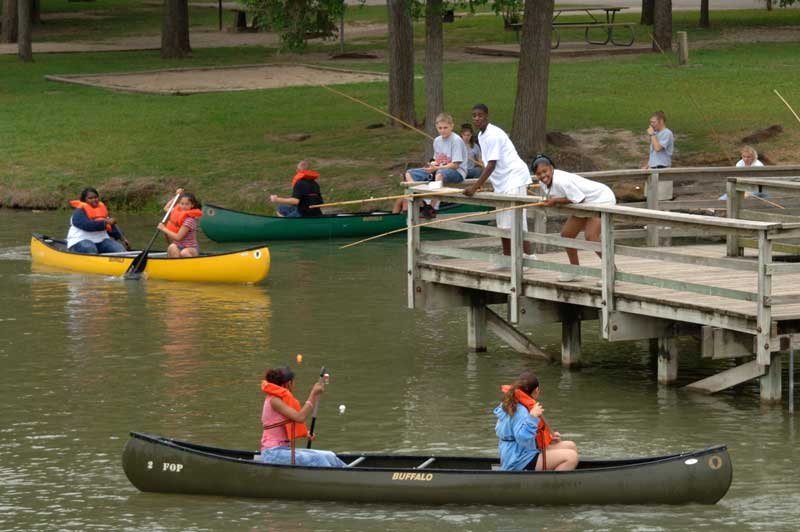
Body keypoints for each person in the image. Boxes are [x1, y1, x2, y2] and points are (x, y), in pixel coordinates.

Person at [463, 103, 536, 261]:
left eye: (480, 115)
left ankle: (531, 256)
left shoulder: (493, 134)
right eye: (474, 116)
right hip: (502, 181)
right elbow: (489, 163)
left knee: (517, 220)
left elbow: (491, 164)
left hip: (514, 177)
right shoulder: (481, 136)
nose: (477, 118)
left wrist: (475, 187)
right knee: (502, 221)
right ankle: (507, 258)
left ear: (487, 116)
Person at [534, 155, 616, 282]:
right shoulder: (543, 183)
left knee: (591, 236)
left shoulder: (561, 181)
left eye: (545, 171)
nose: (543, 176)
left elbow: (579, 198)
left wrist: (555, 200)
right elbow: (571, 198)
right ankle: (575, 271)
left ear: (551, 168)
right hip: (583, 203)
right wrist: (552, 200)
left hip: (601, 199)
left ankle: (612, 273)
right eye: (539, 174)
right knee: (567, 235)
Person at [259, 366, 346, 468]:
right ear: (288, 383)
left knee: (330, 455)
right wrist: (313, 394)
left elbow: (285, 423)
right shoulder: (274, 400)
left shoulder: (281, 399)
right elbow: (300, 417)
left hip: (284, 450)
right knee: (319, 459)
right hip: (272, 453)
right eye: (293, 382)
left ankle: (351, 473)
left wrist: (305, 433)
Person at [494, 371, 579, 472]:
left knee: (571, 445)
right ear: (536, 390)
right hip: (519, 460)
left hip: (521, 452)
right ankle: (551, 485)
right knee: (571, 457)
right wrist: (532, 417)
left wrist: (549, 438)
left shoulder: (511, 403)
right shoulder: (521, 410)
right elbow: (522, 439)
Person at [393, 113, 468, 218]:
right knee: (409, 174)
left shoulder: (456, 140)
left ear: (452, 126)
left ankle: (432, 208)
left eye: (445, 128)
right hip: (439, 169)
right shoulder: (437, 141)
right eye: (440, 128)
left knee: (439, 174)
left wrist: (437, 168)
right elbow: (436, 160)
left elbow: (455, 165)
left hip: (457, 172)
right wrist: (432, 165)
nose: (442, 130)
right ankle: (423, 200)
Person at [66, 187, 130, 254]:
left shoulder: (102, 210)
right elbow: (87, 226)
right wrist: (105, 222)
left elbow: (112, 228)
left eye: (96, 197)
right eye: (90, 198)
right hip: (80, 240)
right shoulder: (79, 212)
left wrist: (123, 239)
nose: (94, 200)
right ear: (84, 200)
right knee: (90, 248)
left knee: (120, 250)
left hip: (101, 241)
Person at [157, 188, 202, 258]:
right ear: (179, 204)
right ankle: (175, 266)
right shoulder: (178, 212)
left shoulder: (189, 220)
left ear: (192, 205)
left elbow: (178, 237)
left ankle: (191, 267)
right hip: (179, 246)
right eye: (182, 204)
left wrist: (163, 228)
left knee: (184, 253)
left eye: (187, 204)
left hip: (191, 249)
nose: (183, 206)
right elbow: (166, 208)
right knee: (172, 247)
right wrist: (176, 196)